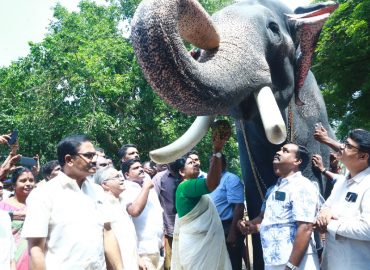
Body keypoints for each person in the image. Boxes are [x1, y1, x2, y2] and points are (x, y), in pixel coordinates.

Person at [22, 134, 123, 270]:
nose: (95, 160)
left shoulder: (97, 191)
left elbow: (108, 233)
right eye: (89, 155)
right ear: (69, 160)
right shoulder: (43, 194)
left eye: (95, 155)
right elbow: (35, 249)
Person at [238, 143, 321, 270]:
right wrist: (250, 225)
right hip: (273, 261)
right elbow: (262, 218)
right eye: (280, 149)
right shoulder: (272, 189)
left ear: (297, 161)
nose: (278, 152)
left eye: (285, 151)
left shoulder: (302, 186)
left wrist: (291, 266)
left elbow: (305, 227)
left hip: (298, 263)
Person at [171, 130, 232, 270]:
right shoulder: (186, 186)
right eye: (190, 162)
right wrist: (217, 151)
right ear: (181, 172)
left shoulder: (192, 186)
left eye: (196, 161)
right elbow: (211, 184)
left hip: (198, 247)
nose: (196, 164)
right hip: (196, 248)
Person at [316, 129, 370, 270]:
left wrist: (330, 224)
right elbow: (326, 207)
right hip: (331, 263)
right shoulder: (341, 182)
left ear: (363, 156)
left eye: (348, 146)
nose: (342, 147)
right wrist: (324, 212)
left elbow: (368, 229)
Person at [94, 166, 142, 270]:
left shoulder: (122, 201)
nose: (121, 179)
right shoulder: (102, 204)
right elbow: (107, 240)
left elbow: (128, 236)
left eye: (120, 176)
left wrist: (138, 258)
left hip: (131, 261)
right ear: (104, 184)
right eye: (116, 177)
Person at [121, 158, 164, 270]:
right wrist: (145, 188)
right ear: (127, 174)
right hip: (141, 252)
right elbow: (134, 211)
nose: (141, 169)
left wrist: (162, 240)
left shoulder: (149, 187)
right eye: (135, 168)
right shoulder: (125, 188)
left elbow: (159, 214)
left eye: (141, 167)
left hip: (157, 249)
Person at [209, 154, 245, 270]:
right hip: (213, 230)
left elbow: (239, 206)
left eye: (216, 162)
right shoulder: (209, 181)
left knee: (231, 265)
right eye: (211, 162)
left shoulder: (230, 179)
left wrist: (233, 233)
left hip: (228, 228)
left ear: (223, 164)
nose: (213, 165)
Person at [0, 167, 35, 270]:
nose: (28, 184)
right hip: (10, 257)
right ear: (13, 185)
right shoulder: (3, 207)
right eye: (23, 181)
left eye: (31, 180)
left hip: (33, 256)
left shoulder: (37, 205)